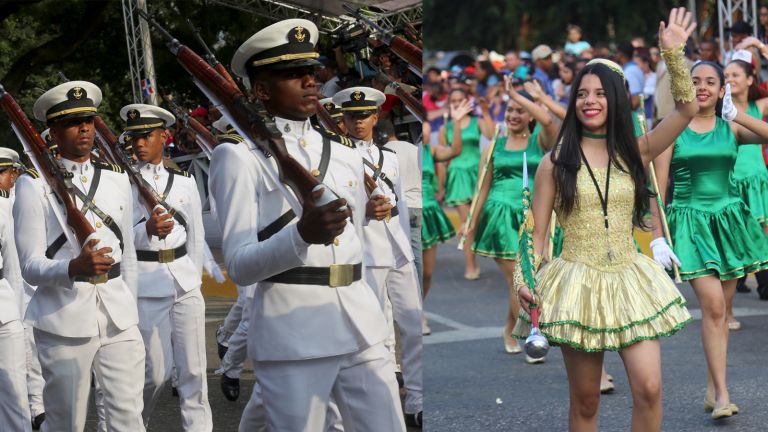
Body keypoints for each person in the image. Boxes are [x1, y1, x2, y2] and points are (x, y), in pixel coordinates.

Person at [210, 19, 405, 431]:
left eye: (311, 71)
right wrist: (301, 235)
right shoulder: (238, 156)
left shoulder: (344, 149)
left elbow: (356, 245)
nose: (309, 81)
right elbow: (241, 265)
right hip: (293, 333)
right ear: (261, 90)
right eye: (291, 74)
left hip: (360, 321)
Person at [514, 8, 697, 431]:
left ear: (614, 98)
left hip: (632, 277)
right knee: (587, 402)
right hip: (577, 281)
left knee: (649, 389)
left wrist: (674, 56)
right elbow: (536, 237)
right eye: (581, 93)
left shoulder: (636, 149)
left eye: (598, 93)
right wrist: (523, 281)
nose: (589, 101)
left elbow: (686, 109)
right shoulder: (554, 162)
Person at [15, 81, 145, 431]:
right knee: (66, 422)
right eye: (73, 122)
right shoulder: (33, 183)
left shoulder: (116, 178)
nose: (85, 127)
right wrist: (73, 267)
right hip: (64, 319)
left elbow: (127, 253)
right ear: (54, 130)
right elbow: (29, 265)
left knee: (128, 418)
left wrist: (131, 306)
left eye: (89, 119)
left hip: (119, 315)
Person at [333, 86, 424, 427]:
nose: (359, 122)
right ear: (342, 120)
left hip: (397, 249)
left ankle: (416, 397)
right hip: (367, 251)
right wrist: (366, 212)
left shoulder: (392, 157)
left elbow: (399, 201)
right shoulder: (339, 160)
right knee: (374, 332)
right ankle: (383, 400)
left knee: (413, 325)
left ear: (376, 117)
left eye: (364, 116)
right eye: (352, 116)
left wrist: (390, 207)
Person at [119, 104, 212, 430]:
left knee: (194, 372)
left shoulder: (184, 182)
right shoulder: (123, 185)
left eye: (146, 136)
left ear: (164, 135)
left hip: (184, 282)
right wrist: (145, 231)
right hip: (146, 285)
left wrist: (195, 280)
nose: (139, 144)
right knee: (152, 374)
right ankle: (134, 424)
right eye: (134, 138)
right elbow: (119, 242)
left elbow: (197, 237)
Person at [465, 81, 557, 361]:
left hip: (535, 218)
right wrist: (470, 221)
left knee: (530, 280)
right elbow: (483, 186)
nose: (513, 114)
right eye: (509, 109)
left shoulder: (539, 141)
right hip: (501, 218)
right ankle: (531, 334)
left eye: (520, 110)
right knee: (518, 280)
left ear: (530, 114)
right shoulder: (494, 146)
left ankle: (510, 327)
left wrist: (518, 95)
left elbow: (549, 121)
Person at [439, 89, 493, 279]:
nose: (457, 103)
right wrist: (441, 185)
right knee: (467, 222)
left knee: (477, 221)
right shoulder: (446, 128)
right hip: (458, 177)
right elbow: (443, 159)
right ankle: (470, 266)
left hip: (478, 174)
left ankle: (477, 255)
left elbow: (493, 135)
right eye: (453, 100)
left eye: (460, 99)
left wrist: (485, 112)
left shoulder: (476, 122)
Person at [0, 147, 30, 432]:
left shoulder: (3, 210)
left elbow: (12, 268)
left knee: (14, 388)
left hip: (4, 308)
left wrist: (17, 312)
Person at [616, 41, 645, 110]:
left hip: (634, 117)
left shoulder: (630, 71)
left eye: (616, 52)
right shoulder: (633, 69)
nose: (615, 55)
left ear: (620, 54)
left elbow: (636, 100)